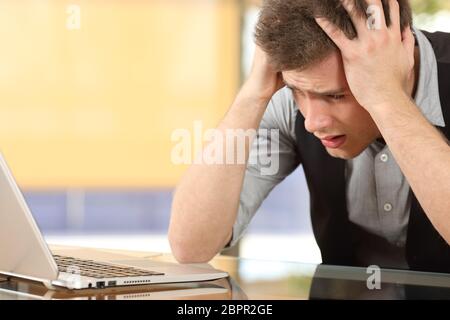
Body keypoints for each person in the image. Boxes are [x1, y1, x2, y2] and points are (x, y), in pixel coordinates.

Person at [169, 0, 450, 272]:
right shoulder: (287, 101)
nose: (312, 122)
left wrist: (386, 98)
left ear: (402, 57)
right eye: (296, 90)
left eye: (336, 96)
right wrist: (252, 94)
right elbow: (191, 246)